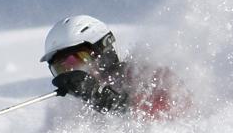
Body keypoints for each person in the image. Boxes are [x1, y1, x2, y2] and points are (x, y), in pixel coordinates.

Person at [40, 15, 188, 119]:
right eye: (61, 69)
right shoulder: (68, 109)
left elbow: (180, 112)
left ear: (104, 51)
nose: (73, 75)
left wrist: (117, 104)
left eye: (79, 61)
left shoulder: (147, 75)